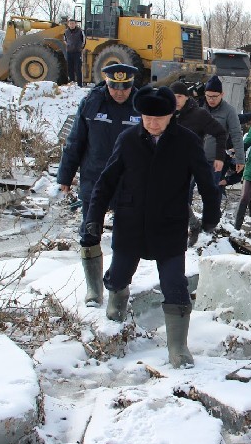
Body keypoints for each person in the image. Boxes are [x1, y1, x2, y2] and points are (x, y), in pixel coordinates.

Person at [83, 85, 220, 368]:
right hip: (130, 222)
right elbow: (106, 182)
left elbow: (207, 182)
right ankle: (115, 314)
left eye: (159, 118)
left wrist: (210, 216)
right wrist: (93, 219)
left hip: (168, 225)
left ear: (172, 115)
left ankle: (178, 347)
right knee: (118, 276)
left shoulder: (187, 141)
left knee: (175, 284)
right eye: (147, 117)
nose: (152, 123)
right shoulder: (128, 139)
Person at [57, 64, 140, 307]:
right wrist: (65, 176)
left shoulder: (141, 104)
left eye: (125, 88)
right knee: (90, 232)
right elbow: (75, 141)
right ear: (107, 83)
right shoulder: (91, 103)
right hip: (95, 178)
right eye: (115, 87)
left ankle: (118, 289)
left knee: (126, 237)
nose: (120, 93)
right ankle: (94, 290)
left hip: (128, 182)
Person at [169, 81, 227, 240]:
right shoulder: (167, 113)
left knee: (204, 191)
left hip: (192, 161)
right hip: (170, 162)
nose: (176, 100)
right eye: (172, 97)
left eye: (179, 97)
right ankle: (186, 225)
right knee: (176, 194)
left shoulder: (198, 114)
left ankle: (205, 225)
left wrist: (219, 157)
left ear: (187, 97)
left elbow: (221, 133)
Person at [201, 75, 246, 193]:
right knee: (187, 190)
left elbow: (236, 135)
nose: (211, 99)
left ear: (222, 94)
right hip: (196, 156)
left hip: (215, 159)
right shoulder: (199, 107)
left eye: (214, 96)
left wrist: (240, 159)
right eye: (208, 96)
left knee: (211, 192)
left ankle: (212, 211)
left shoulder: (229, 111)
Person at [64, 18, 86, 86]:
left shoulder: (80, 31)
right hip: (69, 52)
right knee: (70, 69)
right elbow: (65, 40)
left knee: (78, 68)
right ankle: (72, 84)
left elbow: (84, 40)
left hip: (77, 52)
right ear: (68, 24)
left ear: (75, 24)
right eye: (70, 23)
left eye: (73, 23)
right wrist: (68, 45)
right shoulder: (66, 32)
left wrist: (81, 48)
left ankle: (79, 85)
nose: (72, 25)